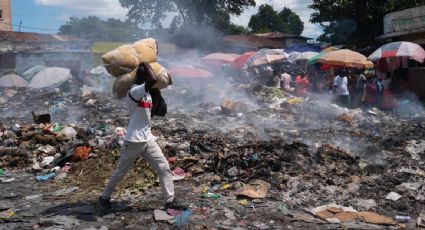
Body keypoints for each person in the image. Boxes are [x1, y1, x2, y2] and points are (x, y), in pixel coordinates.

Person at [98, 63, 186, 211]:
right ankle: (104, 197)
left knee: (163, 167)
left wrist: (163, 83)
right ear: (142, 77)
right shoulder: (134, 91)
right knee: (121, 171)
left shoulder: (148, 94)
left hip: (148, 139)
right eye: (147, 74)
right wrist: (145, 62)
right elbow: (152, 79)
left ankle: (170, 201)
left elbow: (161, 106)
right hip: (134, 140)